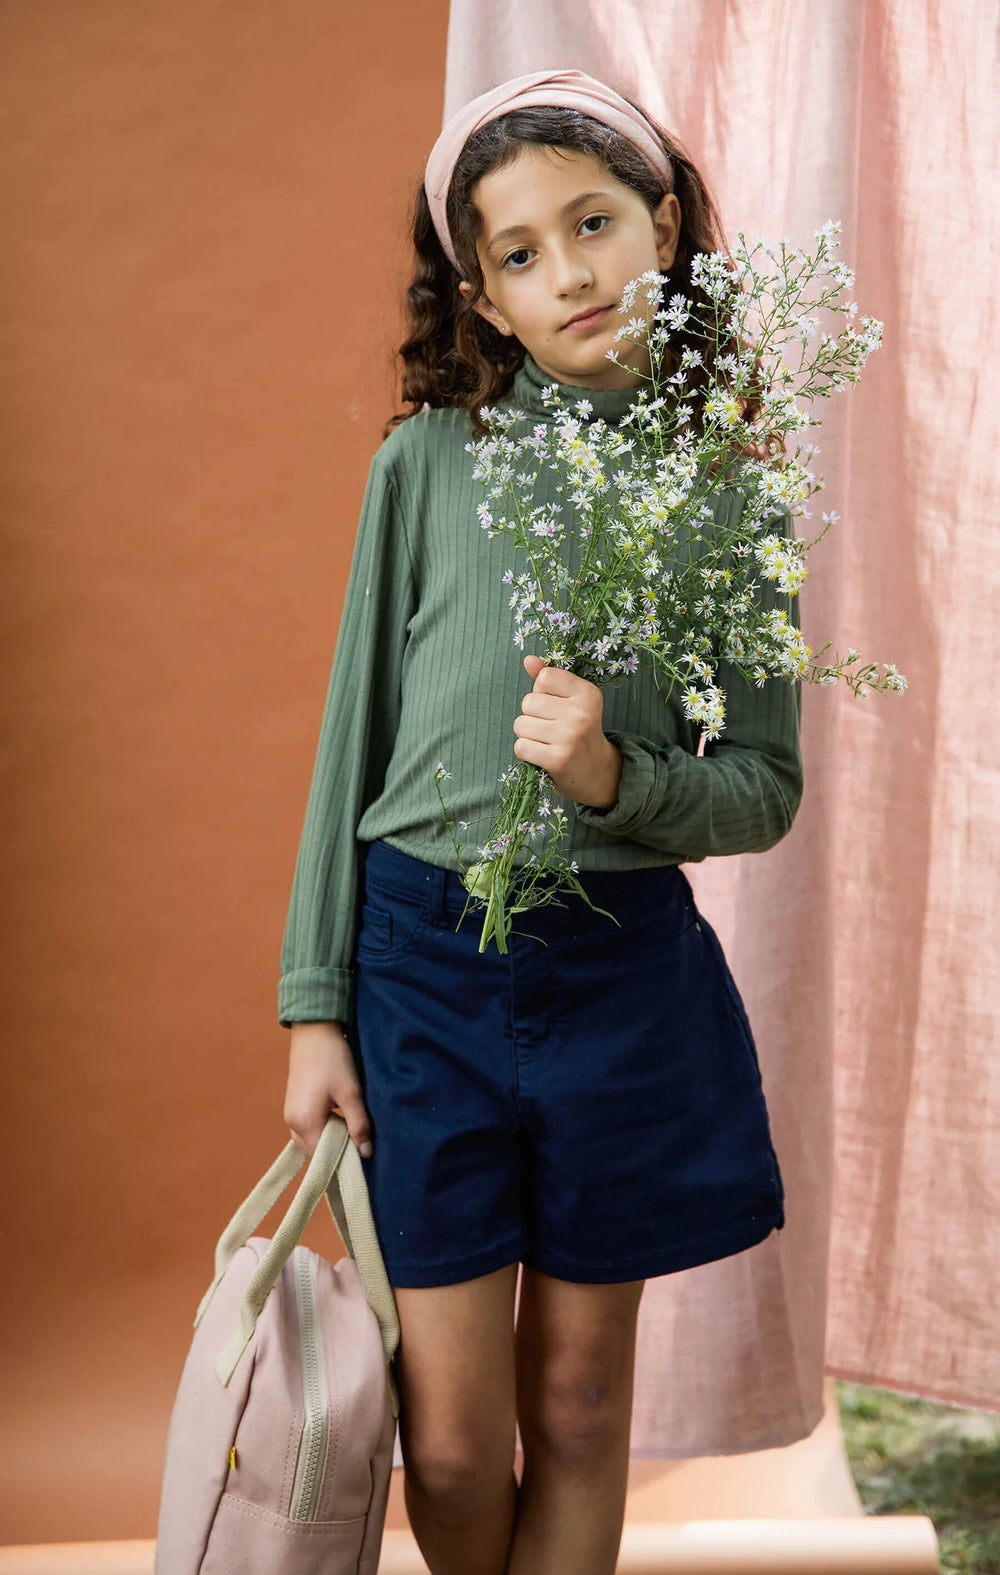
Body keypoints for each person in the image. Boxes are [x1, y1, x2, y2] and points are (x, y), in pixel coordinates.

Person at [279, 68, 803, 1575]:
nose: (567, 270)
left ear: (666, 227)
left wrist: (613, 781)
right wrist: (316, 1009)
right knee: (444, 1441)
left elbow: (762, 790)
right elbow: (347, 748)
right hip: (419, 974)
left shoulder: (734, 492)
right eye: (517, 253)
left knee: (576, 1402)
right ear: (486, 303)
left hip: (620, 977)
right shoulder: (423, 466)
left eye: (593, 223)